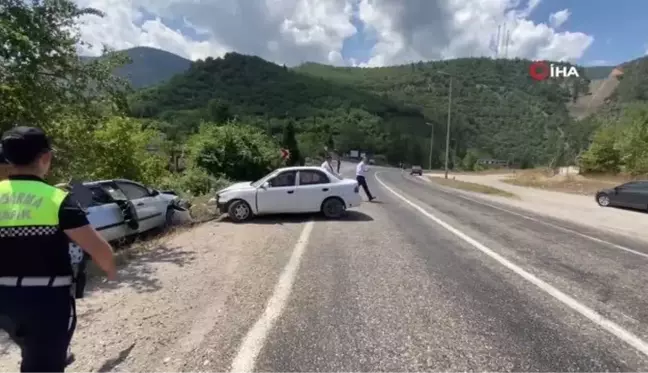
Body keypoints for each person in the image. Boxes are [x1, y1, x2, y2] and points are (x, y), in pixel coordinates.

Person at [0, 126, 117, 373]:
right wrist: (110, 270)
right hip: (45, 301)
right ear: (45, 158)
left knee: (29, 346)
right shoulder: (58, 200)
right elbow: (100, 250)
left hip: (3, 298)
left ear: (8, 158)